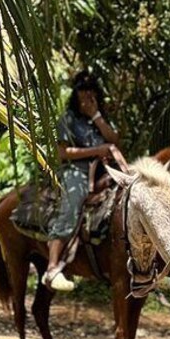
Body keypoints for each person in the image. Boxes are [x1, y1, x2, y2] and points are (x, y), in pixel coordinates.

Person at [44, 71, 121, 291]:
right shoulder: (67, 119)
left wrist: (96, 115)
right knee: (73, 202)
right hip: (75, 170)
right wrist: (96, 150)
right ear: (75, 93)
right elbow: (63, 153)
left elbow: (114, 141)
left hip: (104, 170)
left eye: (90, 91)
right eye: (82, 90)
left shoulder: (99, 118)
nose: (86, 95)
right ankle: (52, 266)